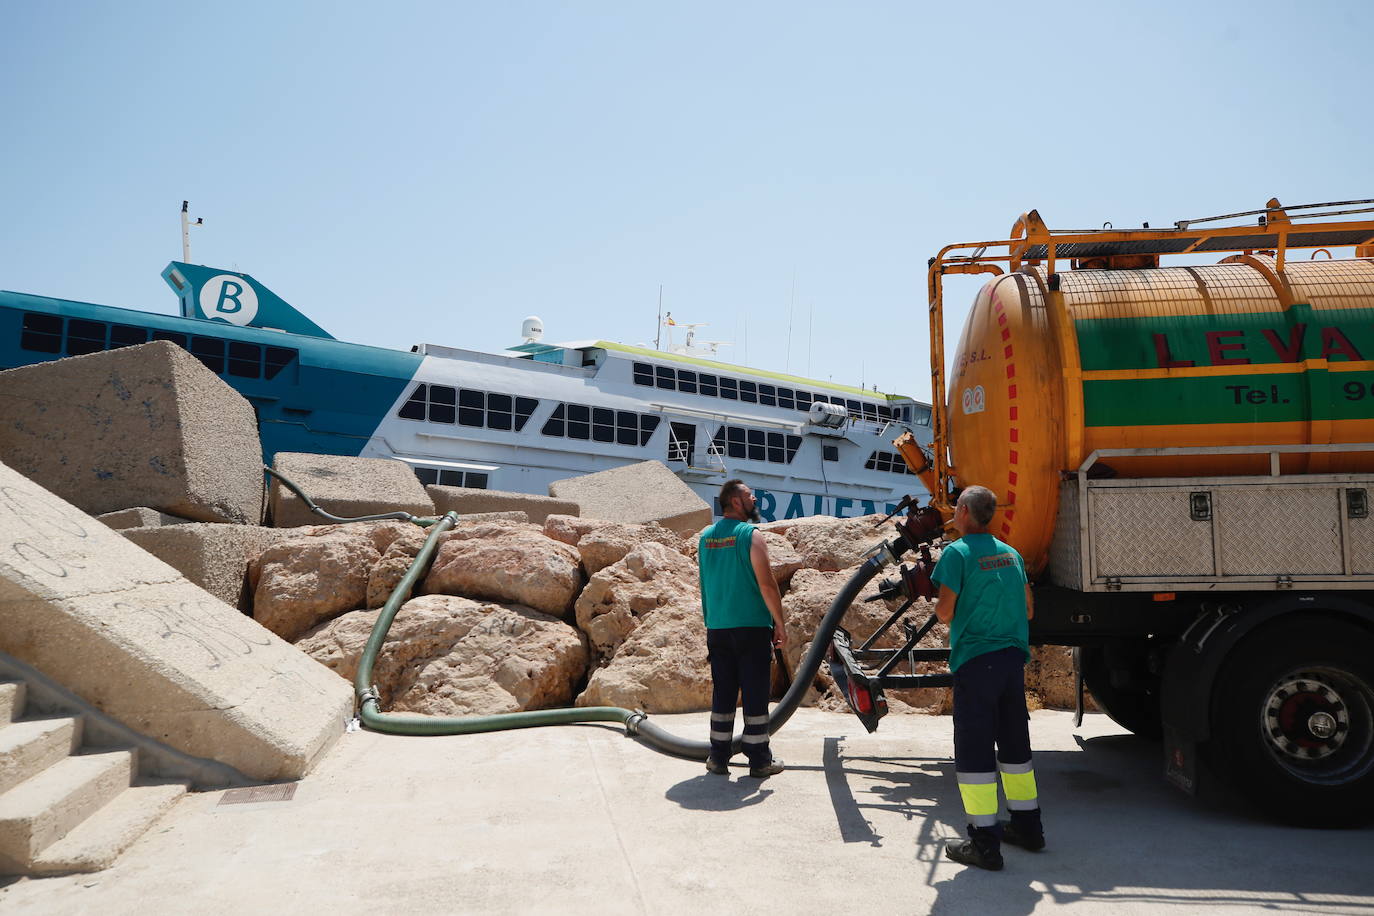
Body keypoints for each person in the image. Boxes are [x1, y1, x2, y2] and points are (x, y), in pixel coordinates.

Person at [931, 485, 1044, 871]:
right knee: (1015, 747)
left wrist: (943, 605)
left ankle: (984, 844)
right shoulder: (1010, 554)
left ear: (963, 511)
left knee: (976, 752)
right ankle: (1029, 828)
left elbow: (945, 613)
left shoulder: (957, 553)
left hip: (977, 663)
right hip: (1012, 661)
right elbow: (1028, 609)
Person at [697, 479, 788, 778]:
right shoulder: (750, 535)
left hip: (718, 626)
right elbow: (766, 583)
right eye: (750, 495)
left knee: (723, 692)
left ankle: (717, 757)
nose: (755, 500)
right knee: (755, 693)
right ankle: (759, 759)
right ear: (736, 501)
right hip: (751, 626)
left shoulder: (706, 537)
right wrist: (780, 622)